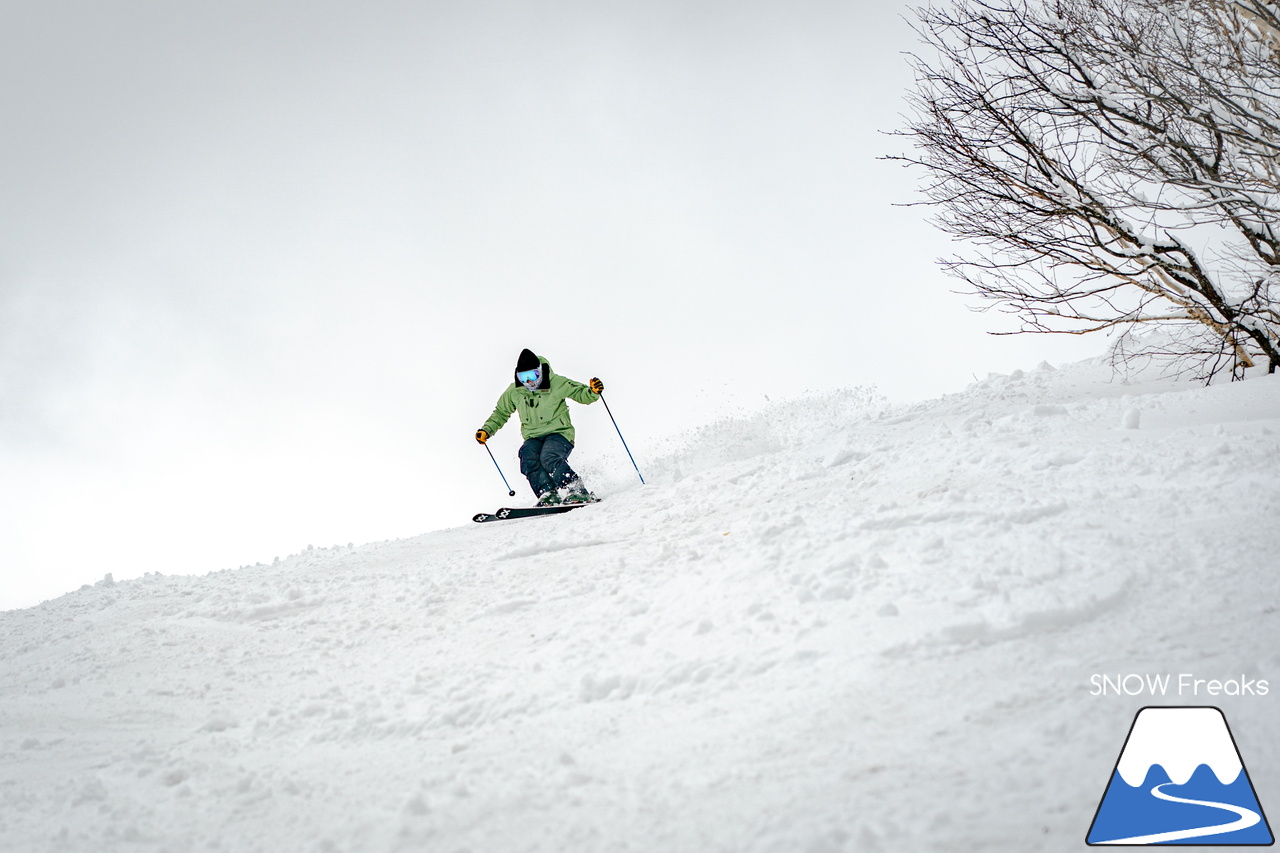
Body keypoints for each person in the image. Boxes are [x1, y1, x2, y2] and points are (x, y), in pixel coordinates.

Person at [476, 349, 604, 506]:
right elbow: (501, 413)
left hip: (559, 433)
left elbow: (580, 393)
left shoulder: (556, 383)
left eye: (533, 375)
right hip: (533, 436)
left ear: (540, 371)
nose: (529, 381)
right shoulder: (514, 392)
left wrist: (592, 392)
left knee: (549, 456)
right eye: (524, 377)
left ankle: (575, 489)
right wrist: (487, 430)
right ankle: (548, 493)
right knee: (528, 457)